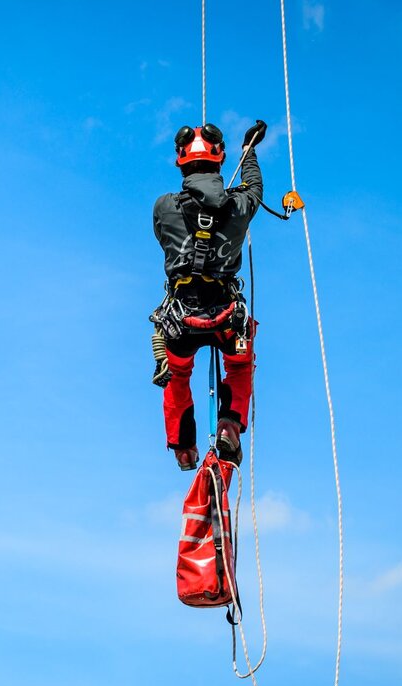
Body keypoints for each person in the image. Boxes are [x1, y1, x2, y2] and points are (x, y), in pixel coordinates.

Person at [150, 120, 267, 471]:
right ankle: (229, 425)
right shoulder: (240, 205)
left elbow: (162, 239)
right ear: (219, 160)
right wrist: (249, 153)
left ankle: (183, 447)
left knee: (176, 375)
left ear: (180, 163)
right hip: (225, 318)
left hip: (181, 320)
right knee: (240, 365)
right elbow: (255, 188)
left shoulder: (164, 207)